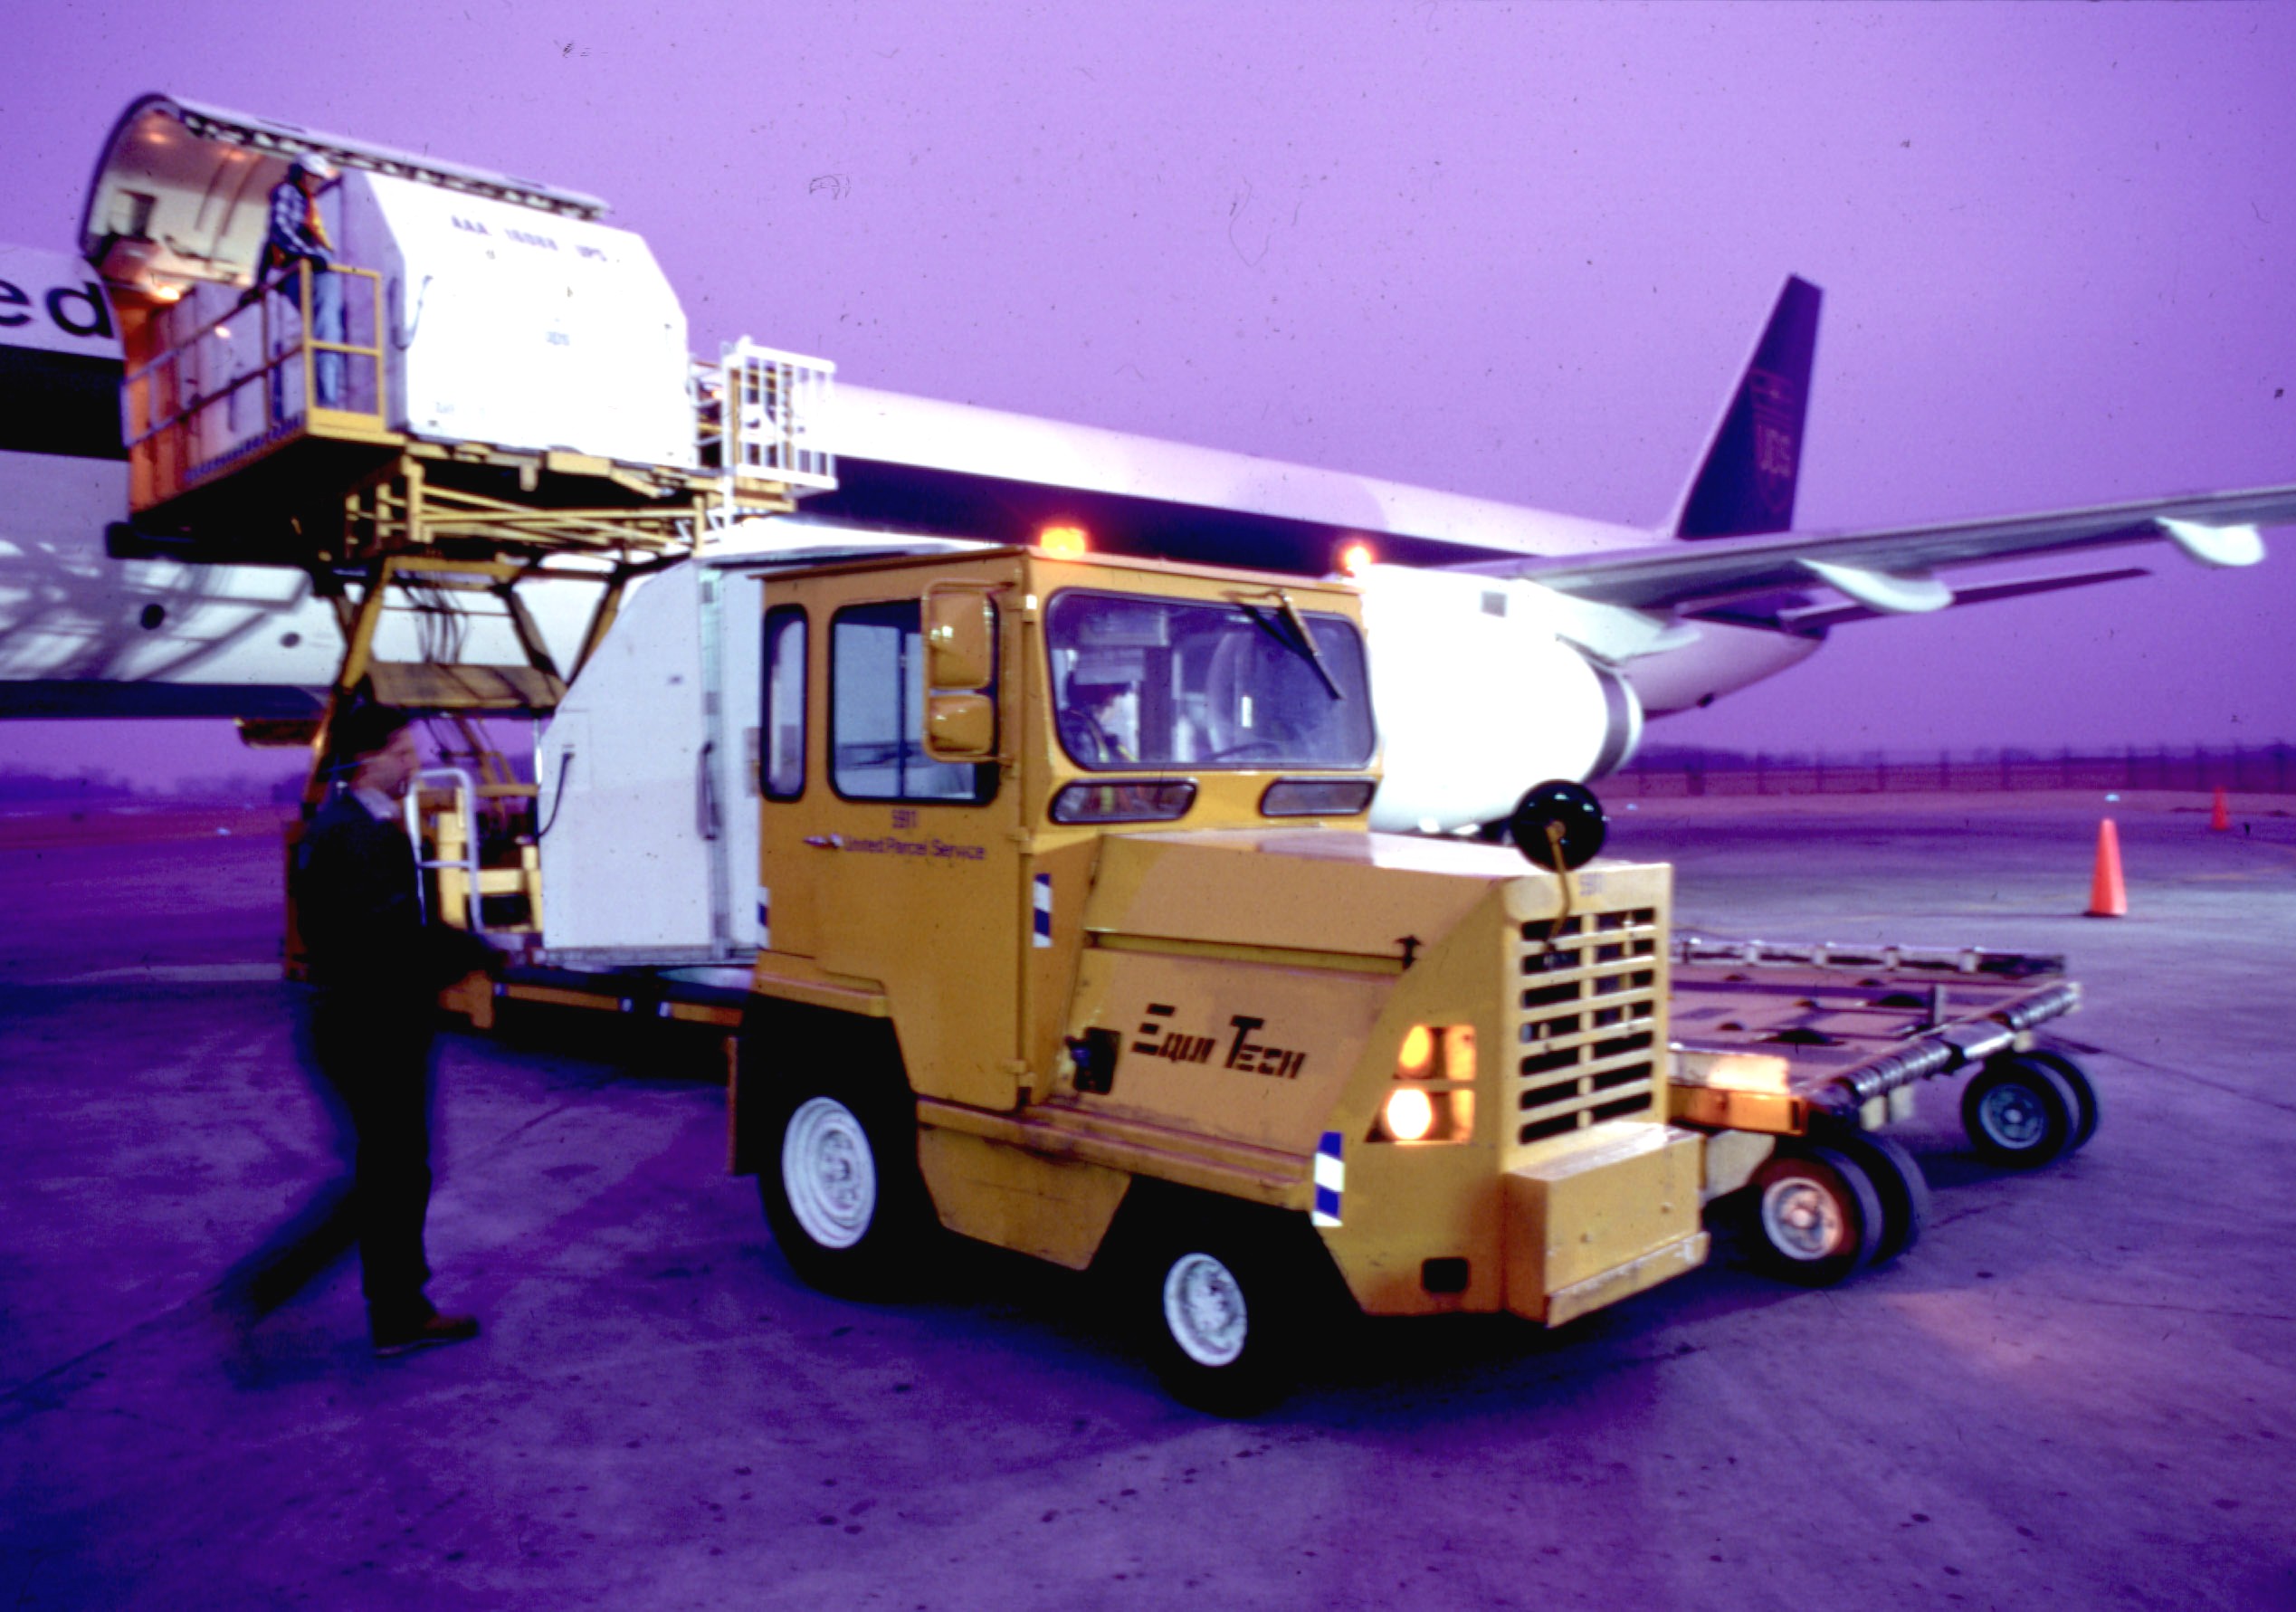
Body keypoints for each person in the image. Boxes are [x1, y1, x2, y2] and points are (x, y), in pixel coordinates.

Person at [293, 703, 497, 1355]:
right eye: (401, 753)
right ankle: (379, 1308)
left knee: (392, 1174)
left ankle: (397, 1309)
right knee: (392, 1176)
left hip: (367, 1023)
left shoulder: (362, 824)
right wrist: (473, 948)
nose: (414, 764)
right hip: (369, 1028)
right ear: (364, 759)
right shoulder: (355, 833)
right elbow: (385, 937)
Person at [263, 152, 344, 413]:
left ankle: (328, 396)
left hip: (310, 270)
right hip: (309, 271)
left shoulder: (305, 200)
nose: (315, 182)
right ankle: (328, 401)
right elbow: (279, 229)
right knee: (326, 329)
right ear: (300, 172)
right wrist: (307, 253)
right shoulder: (289, 192)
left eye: (318, 178)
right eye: (312, 176)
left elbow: (270, 242)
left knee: (327, 327)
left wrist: (259, 281)